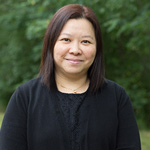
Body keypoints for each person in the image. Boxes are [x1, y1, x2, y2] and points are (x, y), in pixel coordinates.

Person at [0, 4, 141, 150]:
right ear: (51, 44)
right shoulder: (25, 97)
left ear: (97, 48)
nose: (75, 50)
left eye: (85, 41)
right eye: (66, 40)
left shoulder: (116, 97)